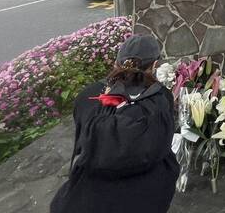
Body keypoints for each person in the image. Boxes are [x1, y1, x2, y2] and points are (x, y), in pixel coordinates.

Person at [50, 35, 179, 213]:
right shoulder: (161, 98)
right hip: (146, 198)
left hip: (81, 200)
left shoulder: (88, 96)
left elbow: (83, 143)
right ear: (154, 66)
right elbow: (161, 144)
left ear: (116, 63)